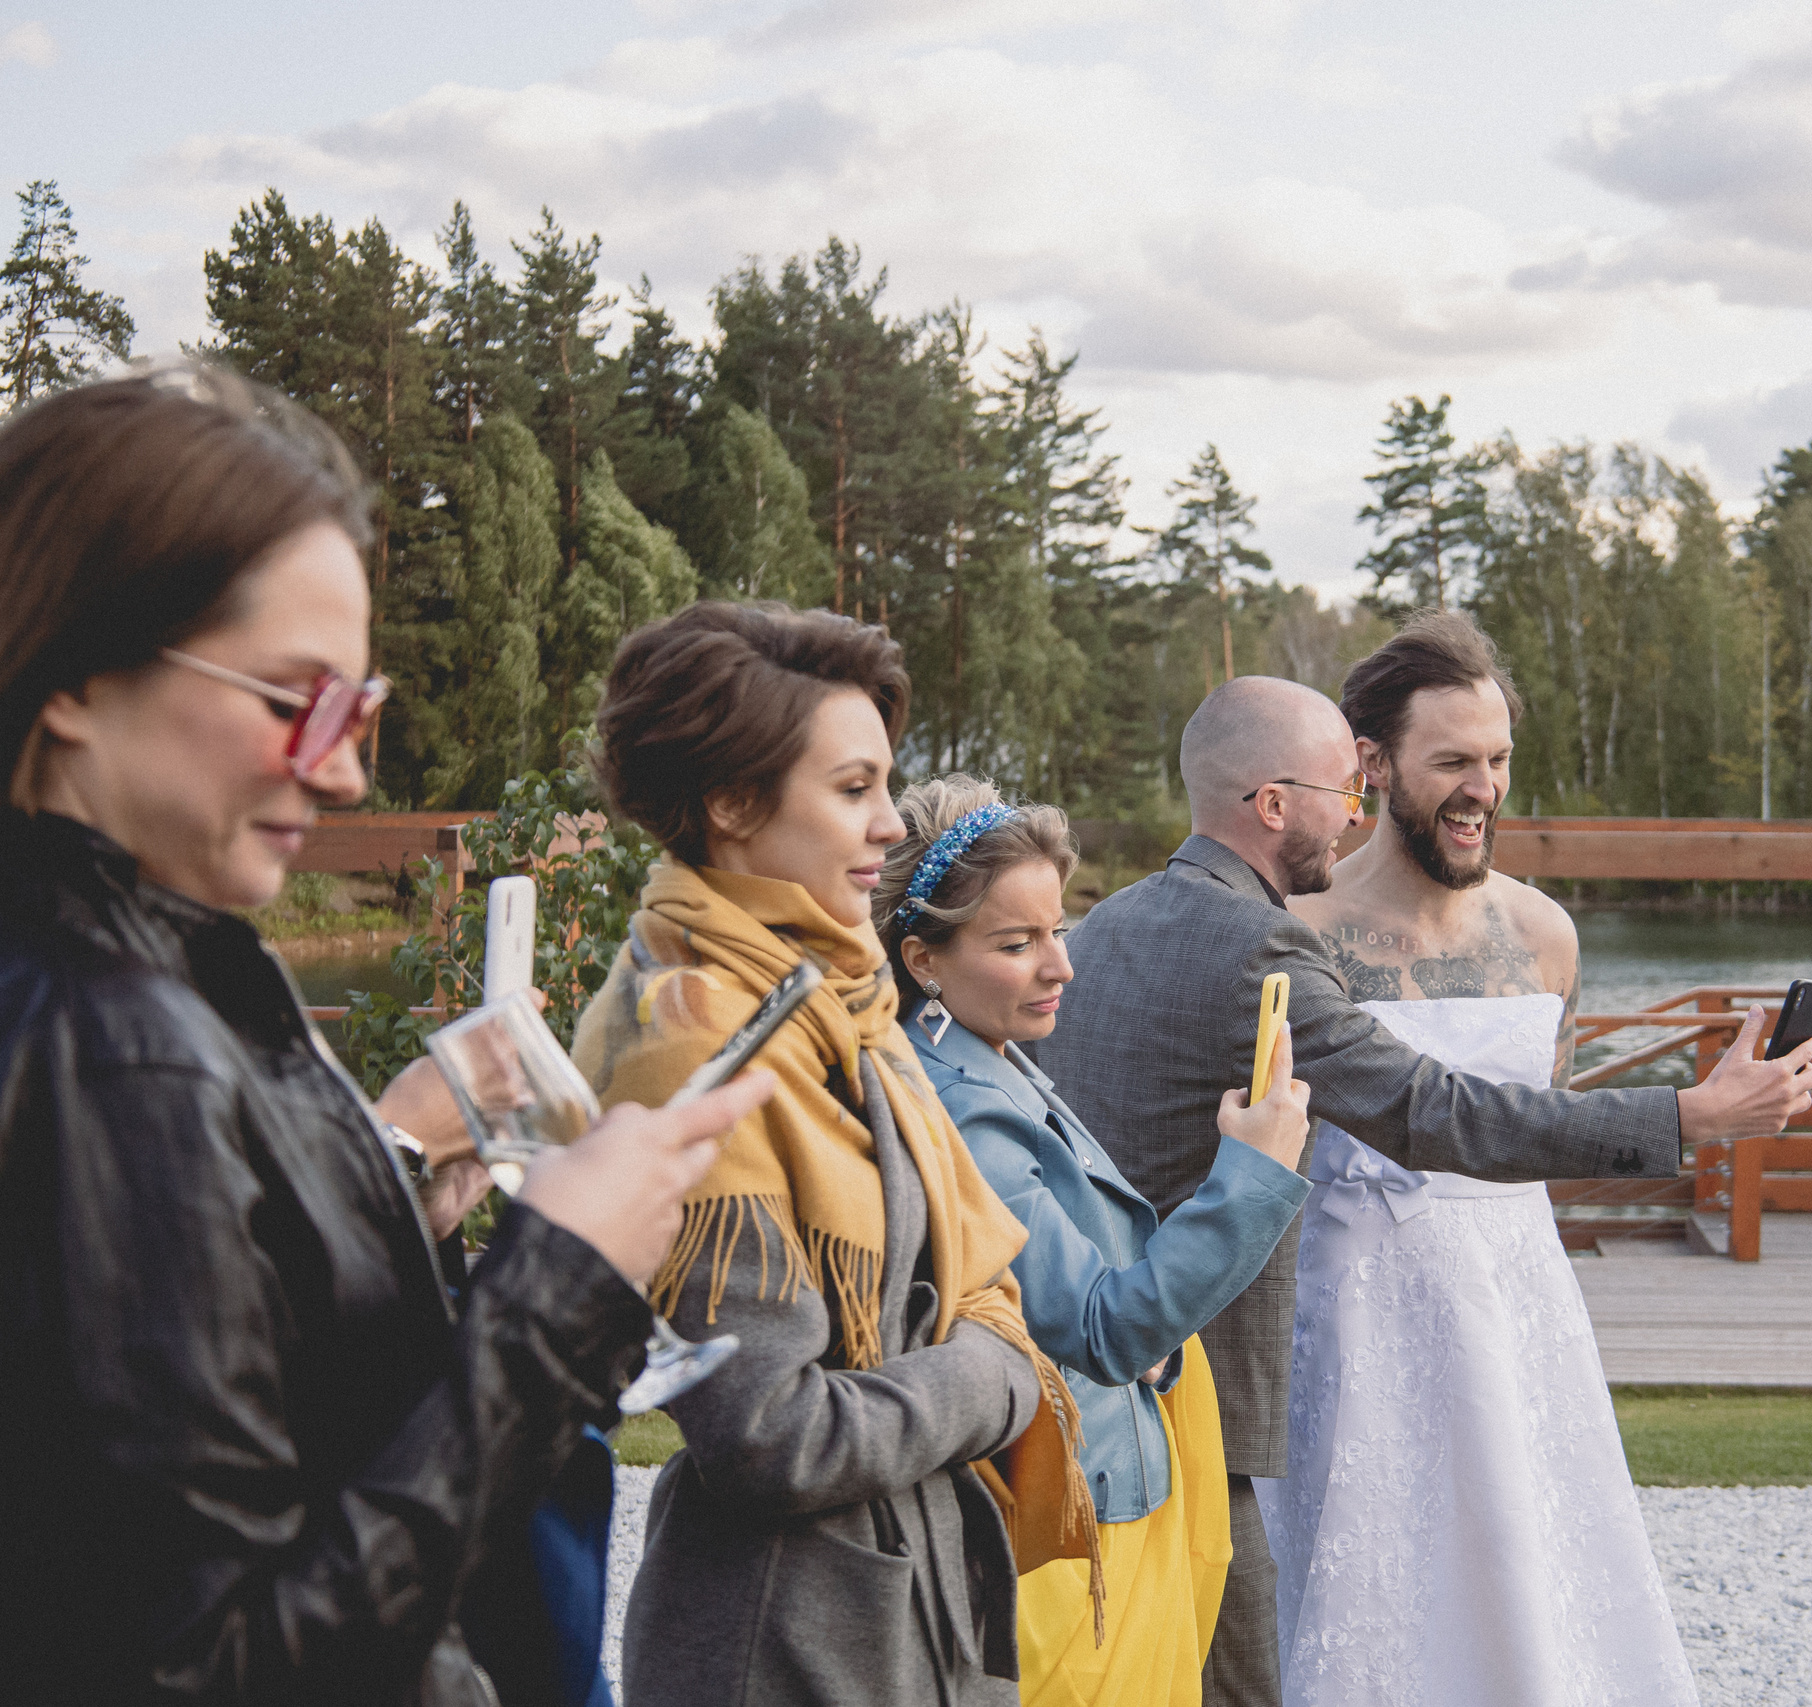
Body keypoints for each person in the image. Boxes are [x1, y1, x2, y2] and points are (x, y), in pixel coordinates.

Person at [0, 363, 774, 1703]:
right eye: (296, 698)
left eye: (358, 709)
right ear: (77, 674)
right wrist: (563, 1282)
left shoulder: (123, 972)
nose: (348, 767)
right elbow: (220, 1664)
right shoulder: (117, 1041)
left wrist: (388, 1187)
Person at [1035, 672, 1812, 1706]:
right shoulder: (1262, 944)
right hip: (1206, 1363)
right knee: (1240, 1657)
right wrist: (1691, 1117)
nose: (1351, 812)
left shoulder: (1110, 925)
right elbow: (1434, 1111)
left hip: (1106, 1347)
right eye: (1341, 791)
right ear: (1273, 805)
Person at [577, 602, 1082, 1707]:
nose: (891, 824)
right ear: (732, 803)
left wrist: (981, 1338)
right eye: (853, 789)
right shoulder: (692, 1043)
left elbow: (977, 1274)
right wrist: (994, 1377)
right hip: (791, 1641)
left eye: (884, 785)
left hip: (909, 1607)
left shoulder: (835, 1003)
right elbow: (770, 1437)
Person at [1263, 612, 1701, 1703]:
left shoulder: (1545, 935)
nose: (1483, 788)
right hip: (1346, 1310)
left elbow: (1535, 1126)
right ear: (1373, 763)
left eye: (1498, 759)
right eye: (1453, 760)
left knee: (1524, 1573)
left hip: (1514, 1309)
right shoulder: (1296, 932)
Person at [881, 775, 1316, 1707]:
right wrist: (1253, 1170)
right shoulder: (964, 1106)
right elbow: (1103, 1324)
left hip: (1105, 1482)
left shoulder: (989, 1058)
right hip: (1070, 1540)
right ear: (924, 958)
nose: (1059, 965)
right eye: (1016, 942)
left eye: (1057, 928)